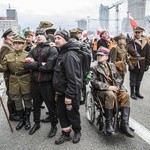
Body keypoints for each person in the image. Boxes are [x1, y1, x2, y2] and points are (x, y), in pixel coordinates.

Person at [90, 46, 135, 138]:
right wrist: (108, 87)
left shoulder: (112, 65)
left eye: (101, 55)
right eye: (98, 55)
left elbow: (118, 78)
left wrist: (117, 86)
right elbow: (94, 82)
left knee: (126, 95)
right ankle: (109, 124)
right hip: (101, 91)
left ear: (106, 57)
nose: (99, 57)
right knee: (110, 95)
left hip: (114, 88)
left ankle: (124, 124)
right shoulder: (93, 68)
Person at [24, 28, 58, 137]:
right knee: (36, 106)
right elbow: (26, 65)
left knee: (51, 106)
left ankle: (54, 126)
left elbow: (49, 67)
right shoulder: (33, 50)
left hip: (47, 84)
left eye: (41, 34)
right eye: (37, 34)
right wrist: (40, 64)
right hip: (35, 83)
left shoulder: (52, 49)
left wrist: (35, 64)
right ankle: (36, 123)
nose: (38, 36)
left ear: (45, 36)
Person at [53, 30, 83, 145]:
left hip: (69, 93)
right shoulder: (62, 52)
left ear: (66, 39)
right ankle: (66, 133)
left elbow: (74, 79)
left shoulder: (70, 55)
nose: (56, 40)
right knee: (61, 113)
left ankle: (77, 131)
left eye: (59, 38)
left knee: (72, 113)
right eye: (55, 38)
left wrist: (69, 95)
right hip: (61, 92)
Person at [0, 35, 32, 131]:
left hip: (25, 79)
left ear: (23, 45)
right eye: (15, 43)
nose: (17, 45)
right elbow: (4, 68)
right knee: (17, 101)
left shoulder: (28, 55)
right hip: (13, 80)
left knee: (27, 99)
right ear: (13, 45)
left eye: (19, 43)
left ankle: (27, 119)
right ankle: (21, 119)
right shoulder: (8, 55)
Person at [0, 28, 19, 121]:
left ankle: (15, 112)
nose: (13, 37)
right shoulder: (5, 47)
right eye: (11, 35)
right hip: (8, 75)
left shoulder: (10, 45)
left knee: (14, 93)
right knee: (10, 94)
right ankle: (12, 114)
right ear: (7, 37)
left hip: (12, 74)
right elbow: (2, 61)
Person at [127, 26, 150, 100]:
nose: (137, 34)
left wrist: (147, 64)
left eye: (138, 32)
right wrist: (135, 53)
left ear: (141, 32)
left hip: (143, 63)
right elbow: (129, 48)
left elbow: (148, 54)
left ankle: (137, 92)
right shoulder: (131, 41)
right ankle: (132, 93)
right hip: (134, 62)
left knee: (139, 80)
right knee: (133, 79)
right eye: (135, 32)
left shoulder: (146, 41)